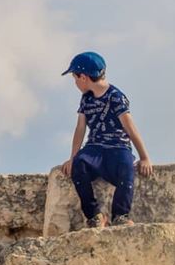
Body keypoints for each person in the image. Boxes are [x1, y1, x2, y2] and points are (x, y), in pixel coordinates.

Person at [60, 52, 153, 228]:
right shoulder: (86, 99)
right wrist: (73, 158)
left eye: (75, 77)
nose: (75, 82)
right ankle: (94, 215)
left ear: (84, 77)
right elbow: (80, 128)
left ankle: (121, 215)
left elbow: (130, 128)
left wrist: (145, 157)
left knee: (127, 168)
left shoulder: (116, 97)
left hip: (118, 147)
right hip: (95, 147)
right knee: (80, 164)